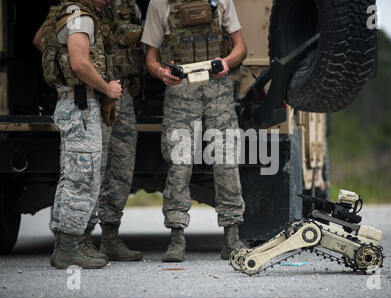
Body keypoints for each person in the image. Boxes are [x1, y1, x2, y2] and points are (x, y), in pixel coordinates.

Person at [142, 0, 247, 262]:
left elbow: (240, 48)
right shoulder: (160, 4)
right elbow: (150, 58)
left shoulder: (220, 1)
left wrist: (227, 62)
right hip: (181, 91)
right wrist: (162, 72)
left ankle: (232, 236)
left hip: (217, 89)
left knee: (227, 160)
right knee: (179, 162)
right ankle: (177, 237)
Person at [38, 0, 122, 269]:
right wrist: (106, 87)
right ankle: (68, 247)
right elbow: (79, 64)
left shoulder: (64, 12)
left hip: (73, 102)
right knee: (81, 177)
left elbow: (40, 40)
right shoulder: (81, 17)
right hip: (80, 104)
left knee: (73, 175)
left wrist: (58, 67)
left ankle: (68, 242)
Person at [82, 0, 144, 262]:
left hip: (123, 93)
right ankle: (82, 239)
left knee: (121, 164)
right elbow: (44, 39)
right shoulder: (81, 8)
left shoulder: (130, 6)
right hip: (96, 92)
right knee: (94, 165)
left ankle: (109, 238)